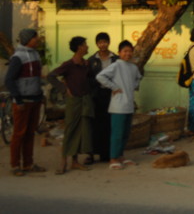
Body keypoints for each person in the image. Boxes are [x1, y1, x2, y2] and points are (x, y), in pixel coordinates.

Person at [48, 36, 93, 174]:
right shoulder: (68, 64)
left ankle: (75, 161)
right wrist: (64, 89)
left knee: (81, 131)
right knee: (70, 130)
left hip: (85, 101)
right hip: (73, 101)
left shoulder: (86, 64)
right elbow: (51, 76)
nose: (87, 47)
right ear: (79, 47)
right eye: (85, 44)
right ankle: (63, 162)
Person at [5, 28, 46, 176]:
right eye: (35, 38)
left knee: (30, 132)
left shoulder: (35, 54)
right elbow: (9, 80)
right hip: (23, 100)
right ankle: (15, 164)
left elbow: (36, 76)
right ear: (28, 40)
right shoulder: (18, 57)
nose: (37, 40)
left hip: (35, 99)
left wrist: (41, 93)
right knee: (19, 133)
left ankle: (28, 163)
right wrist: (18, 99)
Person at [96, 40, 142, 170]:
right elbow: (100, 76)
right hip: (118, 106)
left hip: (129, 105)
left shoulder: (133, 67)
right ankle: (113, 158)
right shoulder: (116, 65)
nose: (128, 54)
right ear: (119, 53)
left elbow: (138, 78)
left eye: (130, 51)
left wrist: (132, 86)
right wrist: (114, 87)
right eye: (125, 51)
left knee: (125, 134)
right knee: (117, 133)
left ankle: (121, 156)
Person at [87, 32, 118, 163]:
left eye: (105, 42)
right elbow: (89, 78)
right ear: (97, 44)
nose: (103, 45)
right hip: (96, 95)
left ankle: (106, 153)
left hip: (111, 94)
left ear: (108, 43)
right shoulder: (92, 60)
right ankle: (91, 154)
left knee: (108, 124)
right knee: (95, 125)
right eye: (100, 42)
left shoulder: (115, 59)